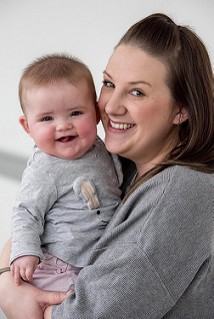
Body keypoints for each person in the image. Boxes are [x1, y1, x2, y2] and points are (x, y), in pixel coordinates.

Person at [0, 12, 214, 319]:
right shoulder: (119, 165)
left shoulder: (181, 193)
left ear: (182, 109)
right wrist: (6, 282)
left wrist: (16, 301)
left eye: (137, 91)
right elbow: (33, 221)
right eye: (109, 83)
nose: (111, 107)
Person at [9, 53, 122, 291]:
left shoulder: (102, 147)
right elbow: (27, 212)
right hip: (60, 265)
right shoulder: (44, 167)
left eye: (75, 113)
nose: (63, 125)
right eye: (47, 118)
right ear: (27, 126)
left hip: (95, 260)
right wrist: (25, 251)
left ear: (96, 113)